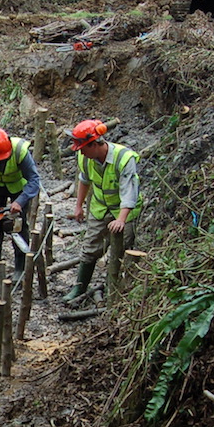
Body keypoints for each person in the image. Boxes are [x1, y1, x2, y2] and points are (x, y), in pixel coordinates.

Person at [64, 119, 142, 303]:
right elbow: (84, 180)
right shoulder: (85, 158)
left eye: (83, 148)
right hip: (100, 207)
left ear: (94, 144)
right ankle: (80, 287)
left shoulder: (124, 159)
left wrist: (121, 219)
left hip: (124, 210)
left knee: (121, 250)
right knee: (90, 246)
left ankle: (115, 289)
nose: (80, 152)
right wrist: (79, 206)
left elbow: (129, 191)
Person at [0, 127, 41, 289]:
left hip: (18, 188)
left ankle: (20, 268)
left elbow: (34, 180)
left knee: (19, 226)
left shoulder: (20, 152)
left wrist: (20, 201)